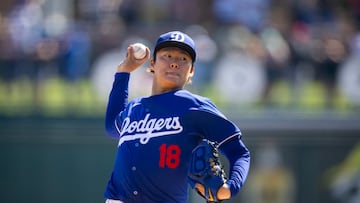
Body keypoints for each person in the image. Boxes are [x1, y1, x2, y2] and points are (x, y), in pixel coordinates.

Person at [103, 31, 250, 203]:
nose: (174, 63)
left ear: (192, 71)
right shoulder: (135, 108)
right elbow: (112, 128)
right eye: (167, 56)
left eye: (183, 59)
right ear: (152, 63)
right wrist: (123, 72)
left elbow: (239, 152)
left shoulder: (195, 106)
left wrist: (231, 188)